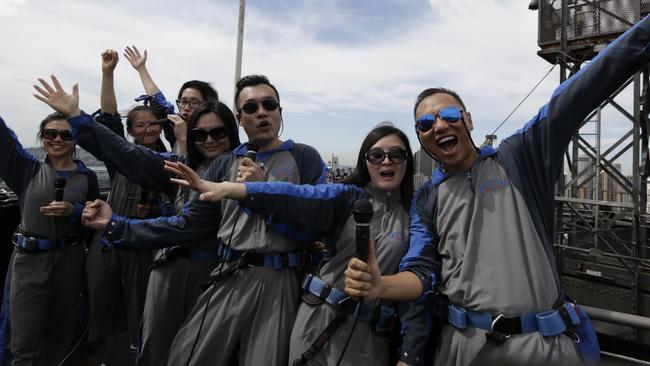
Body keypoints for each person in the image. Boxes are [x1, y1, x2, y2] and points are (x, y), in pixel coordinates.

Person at [344, 14, 650, 366]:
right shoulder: (428, 199)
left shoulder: (519, 158)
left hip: (543, 348)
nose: (439, 124)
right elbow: (421, 271)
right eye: (426, 123)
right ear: (421, 137)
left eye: (448, 114)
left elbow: (578, 93)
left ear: (469, 120)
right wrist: (382, 286)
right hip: (462, 349)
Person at [82, 74, 326, 366]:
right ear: (240, 118)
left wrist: (262, 190)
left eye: (269, 104)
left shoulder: (305, 158)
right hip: (227, 275)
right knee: (186, 356)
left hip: (278, 279)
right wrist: (116, 225)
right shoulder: (223, 164)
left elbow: (315, 224)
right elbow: (189, 221)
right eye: (250, 108)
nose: (261, 112)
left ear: (279, 111)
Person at [33, 49, 241, 365]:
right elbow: (129, 156)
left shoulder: (235, 168)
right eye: (200, 133)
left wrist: (116, 224)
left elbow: (188, 223)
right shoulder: (182, 165)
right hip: (164, 269)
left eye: (218, 132)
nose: (209, 139)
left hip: (203, 272)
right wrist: (77, 119)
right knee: (154, 347)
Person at [163, 122, 415, 365]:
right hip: (318, 320)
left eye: (396, 154)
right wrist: (232, 189)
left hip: (371, 336)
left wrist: (409, 354)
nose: (386, 160)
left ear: (407, 161)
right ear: (365, 161)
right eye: (376, 154)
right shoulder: (348, 198)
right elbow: (301, 195)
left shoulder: (416, 214)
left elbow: (421, 280)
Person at [0, 105, 99, 365]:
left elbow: (97, 216)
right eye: (50, 134)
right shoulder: (26, 170)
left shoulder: (86, 177)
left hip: (70, 261)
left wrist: (74, 211)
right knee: (23, 338)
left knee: (63, 335)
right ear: (42, 138)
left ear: (75, 139)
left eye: (65, 135)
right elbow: (4, 140)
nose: (57, 139)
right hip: (29, 262)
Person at [124, 45, 219, 152]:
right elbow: (160, 101)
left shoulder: (216, 139)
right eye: (183, 102)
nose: (186, 108)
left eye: (194, 102)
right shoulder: (175, 127)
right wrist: (141, 69)